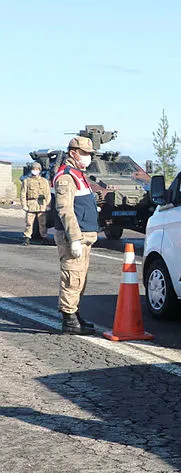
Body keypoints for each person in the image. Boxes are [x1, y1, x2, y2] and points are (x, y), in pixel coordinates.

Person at [53, 136, 99, 335]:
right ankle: (69, 320)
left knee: (80, 278)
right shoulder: (66, 177)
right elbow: (65, 210)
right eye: (85, 153)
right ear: (73, 153)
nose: (88, 157)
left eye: (90, 154)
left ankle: (75, 314)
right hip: (74, 237)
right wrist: (75, 239)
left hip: (85, 236)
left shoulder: (79, 174)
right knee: (72, 278)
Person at [19, 162, 51, 246]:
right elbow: (23, 194)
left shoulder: (44, 181)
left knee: (42, 223)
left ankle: (44, 237)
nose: (35, 171)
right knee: (29, 223)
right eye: (33, 169)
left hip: (41, 205)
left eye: (37, 169)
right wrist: (24, 205)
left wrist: (48, 205)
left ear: (40, 170)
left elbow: (48, 194)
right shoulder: (27, 181)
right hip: (31, 204)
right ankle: (27, 238)